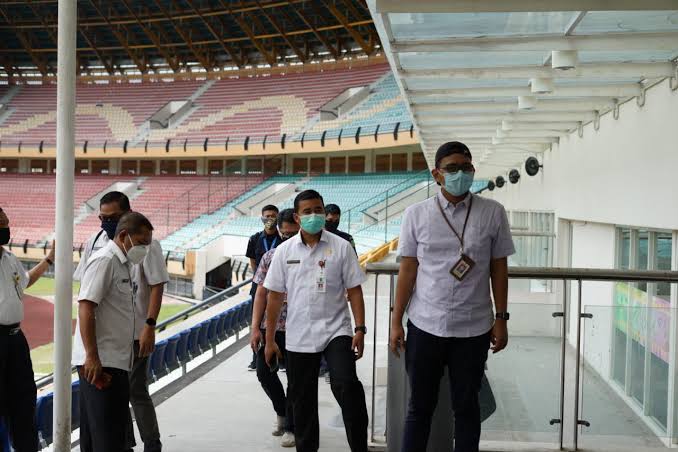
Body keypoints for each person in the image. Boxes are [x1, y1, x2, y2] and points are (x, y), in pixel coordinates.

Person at [389, 141, 515, 452]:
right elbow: (407, 270)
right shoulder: (415, 214)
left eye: (466, 167)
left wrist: (501, 319)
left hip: (474, 328)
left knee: (467, 408)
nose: (461, 173)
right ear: (437, 174)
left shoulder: (493, 212)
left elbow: (499, 269)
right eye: (453, 168)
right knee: (419, 408)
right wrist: (396, 322)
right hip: (425, 324)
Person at [264, 190, 369, 452]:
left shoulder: (341, 247)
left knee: (347, 384)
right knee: (302, 399)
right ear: (297, 218)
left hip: (337, 329)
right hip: (299, 333)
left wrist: (360, 328)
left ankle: (359, 446)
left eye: (318, 210)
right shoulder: (284, 251)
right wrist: (269, 341)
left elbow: (355, 290)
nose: (315, 215)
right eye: (308, 211)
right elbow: (274, 297)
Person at [74, 192, 169, 452]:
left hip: (122, 350)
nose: (106, 223)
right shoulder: (104, 256)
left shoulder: (128, 258)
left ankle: (150, 443)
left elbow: (155, 285)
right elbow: (85, 305)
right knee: (103, 431)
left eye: (112, 217)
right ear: (125, 236)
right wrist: (91, 356)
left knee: (118, 415)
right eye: (103, 218)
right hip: (102, 358)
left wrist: (149, 325)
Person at [0, 207, 54, 452]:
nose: (5, 226)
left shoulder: (9, 258)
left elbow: (23, 282)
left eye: (6, 221)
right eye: (1, 222)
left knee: (24, 404)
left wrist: (49, 260)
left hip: (15, 340)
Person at [250, 208, 299, 448]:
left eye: (293, 233)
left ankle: (291, 426)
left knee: (295, 379)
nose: (289, 238)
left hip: (299, 328)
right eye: (285, 234)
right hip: (272, 326)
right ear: (279, 231)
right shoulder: (270, 257)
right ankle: (281, 412)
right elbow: (261, 293)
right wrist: (254, 328)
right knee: (263, 372)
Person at [245, 204, 281, 371]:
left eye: (273, 216)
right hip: (260, 284)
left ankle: (279, 356)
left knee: (275, 318)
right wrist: (259, 278)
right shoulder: (254, 239)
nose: (270, 219)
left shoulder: (283, 239)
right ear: (262, 218)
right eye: (267, 216)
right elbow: (253, 260)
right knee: (258, 321)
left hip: (278, 285)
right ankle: (255, 357)